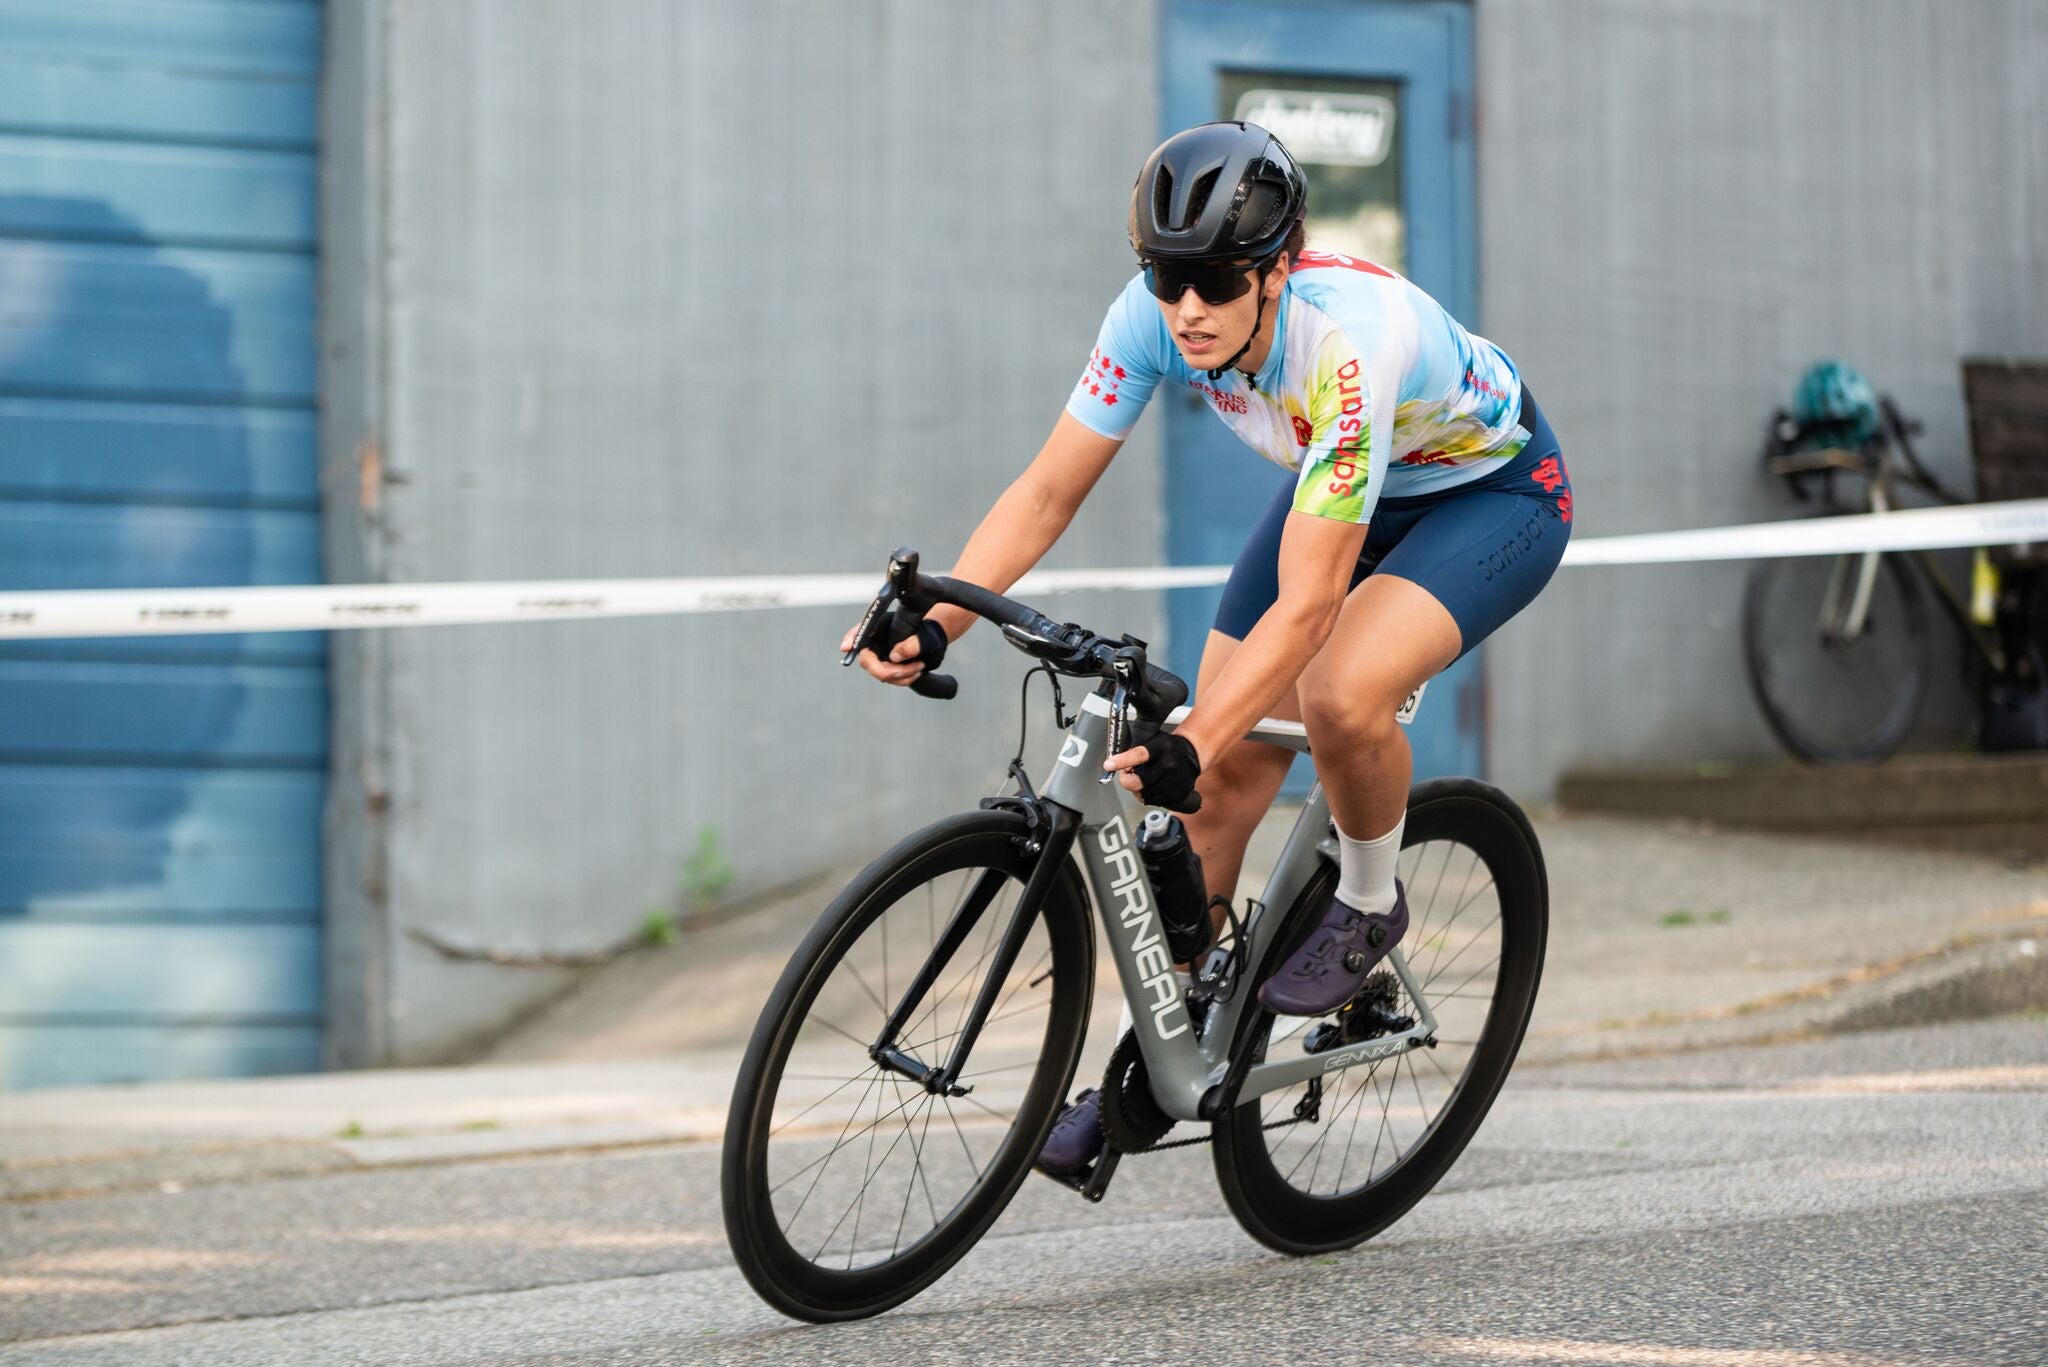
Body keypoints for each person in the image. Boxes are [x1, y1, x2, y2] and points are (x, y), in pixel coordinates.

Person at [840, 122, 1573, 1176]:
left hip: (1489, 495)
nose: (1187, 308)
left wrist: (1198, 730)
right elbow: (1046, 492)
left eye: (1218, 281)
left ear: (1275, 270)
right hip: (1343, 485)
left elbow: (1310, 607)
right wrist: (936, 621)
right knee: (1213, 785)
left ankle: (1369, 900)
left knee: (1338, 694)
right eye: (1166, 277)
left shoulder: (1345, 343)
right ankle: (1158, 1059)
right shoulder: (1149, 318)